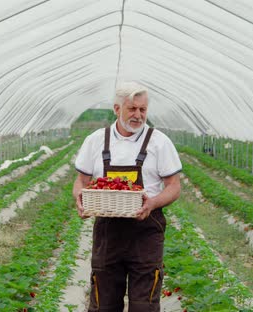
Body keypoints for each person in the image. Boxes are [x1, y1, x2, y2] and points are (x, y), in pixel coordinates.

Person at [72, 81, 182, 312]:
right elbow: (81, 181)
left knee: (145, 305)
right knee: (104, 304)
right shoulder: (96, 140)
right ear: (116, 109)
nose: (138, 115)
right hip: (108, 234)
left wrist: (152, 202)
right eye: (132, 108)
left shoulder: (159, 142)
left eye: (143, 109)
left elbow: (173, 186)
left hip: (146, 233)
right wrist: (80, 199)